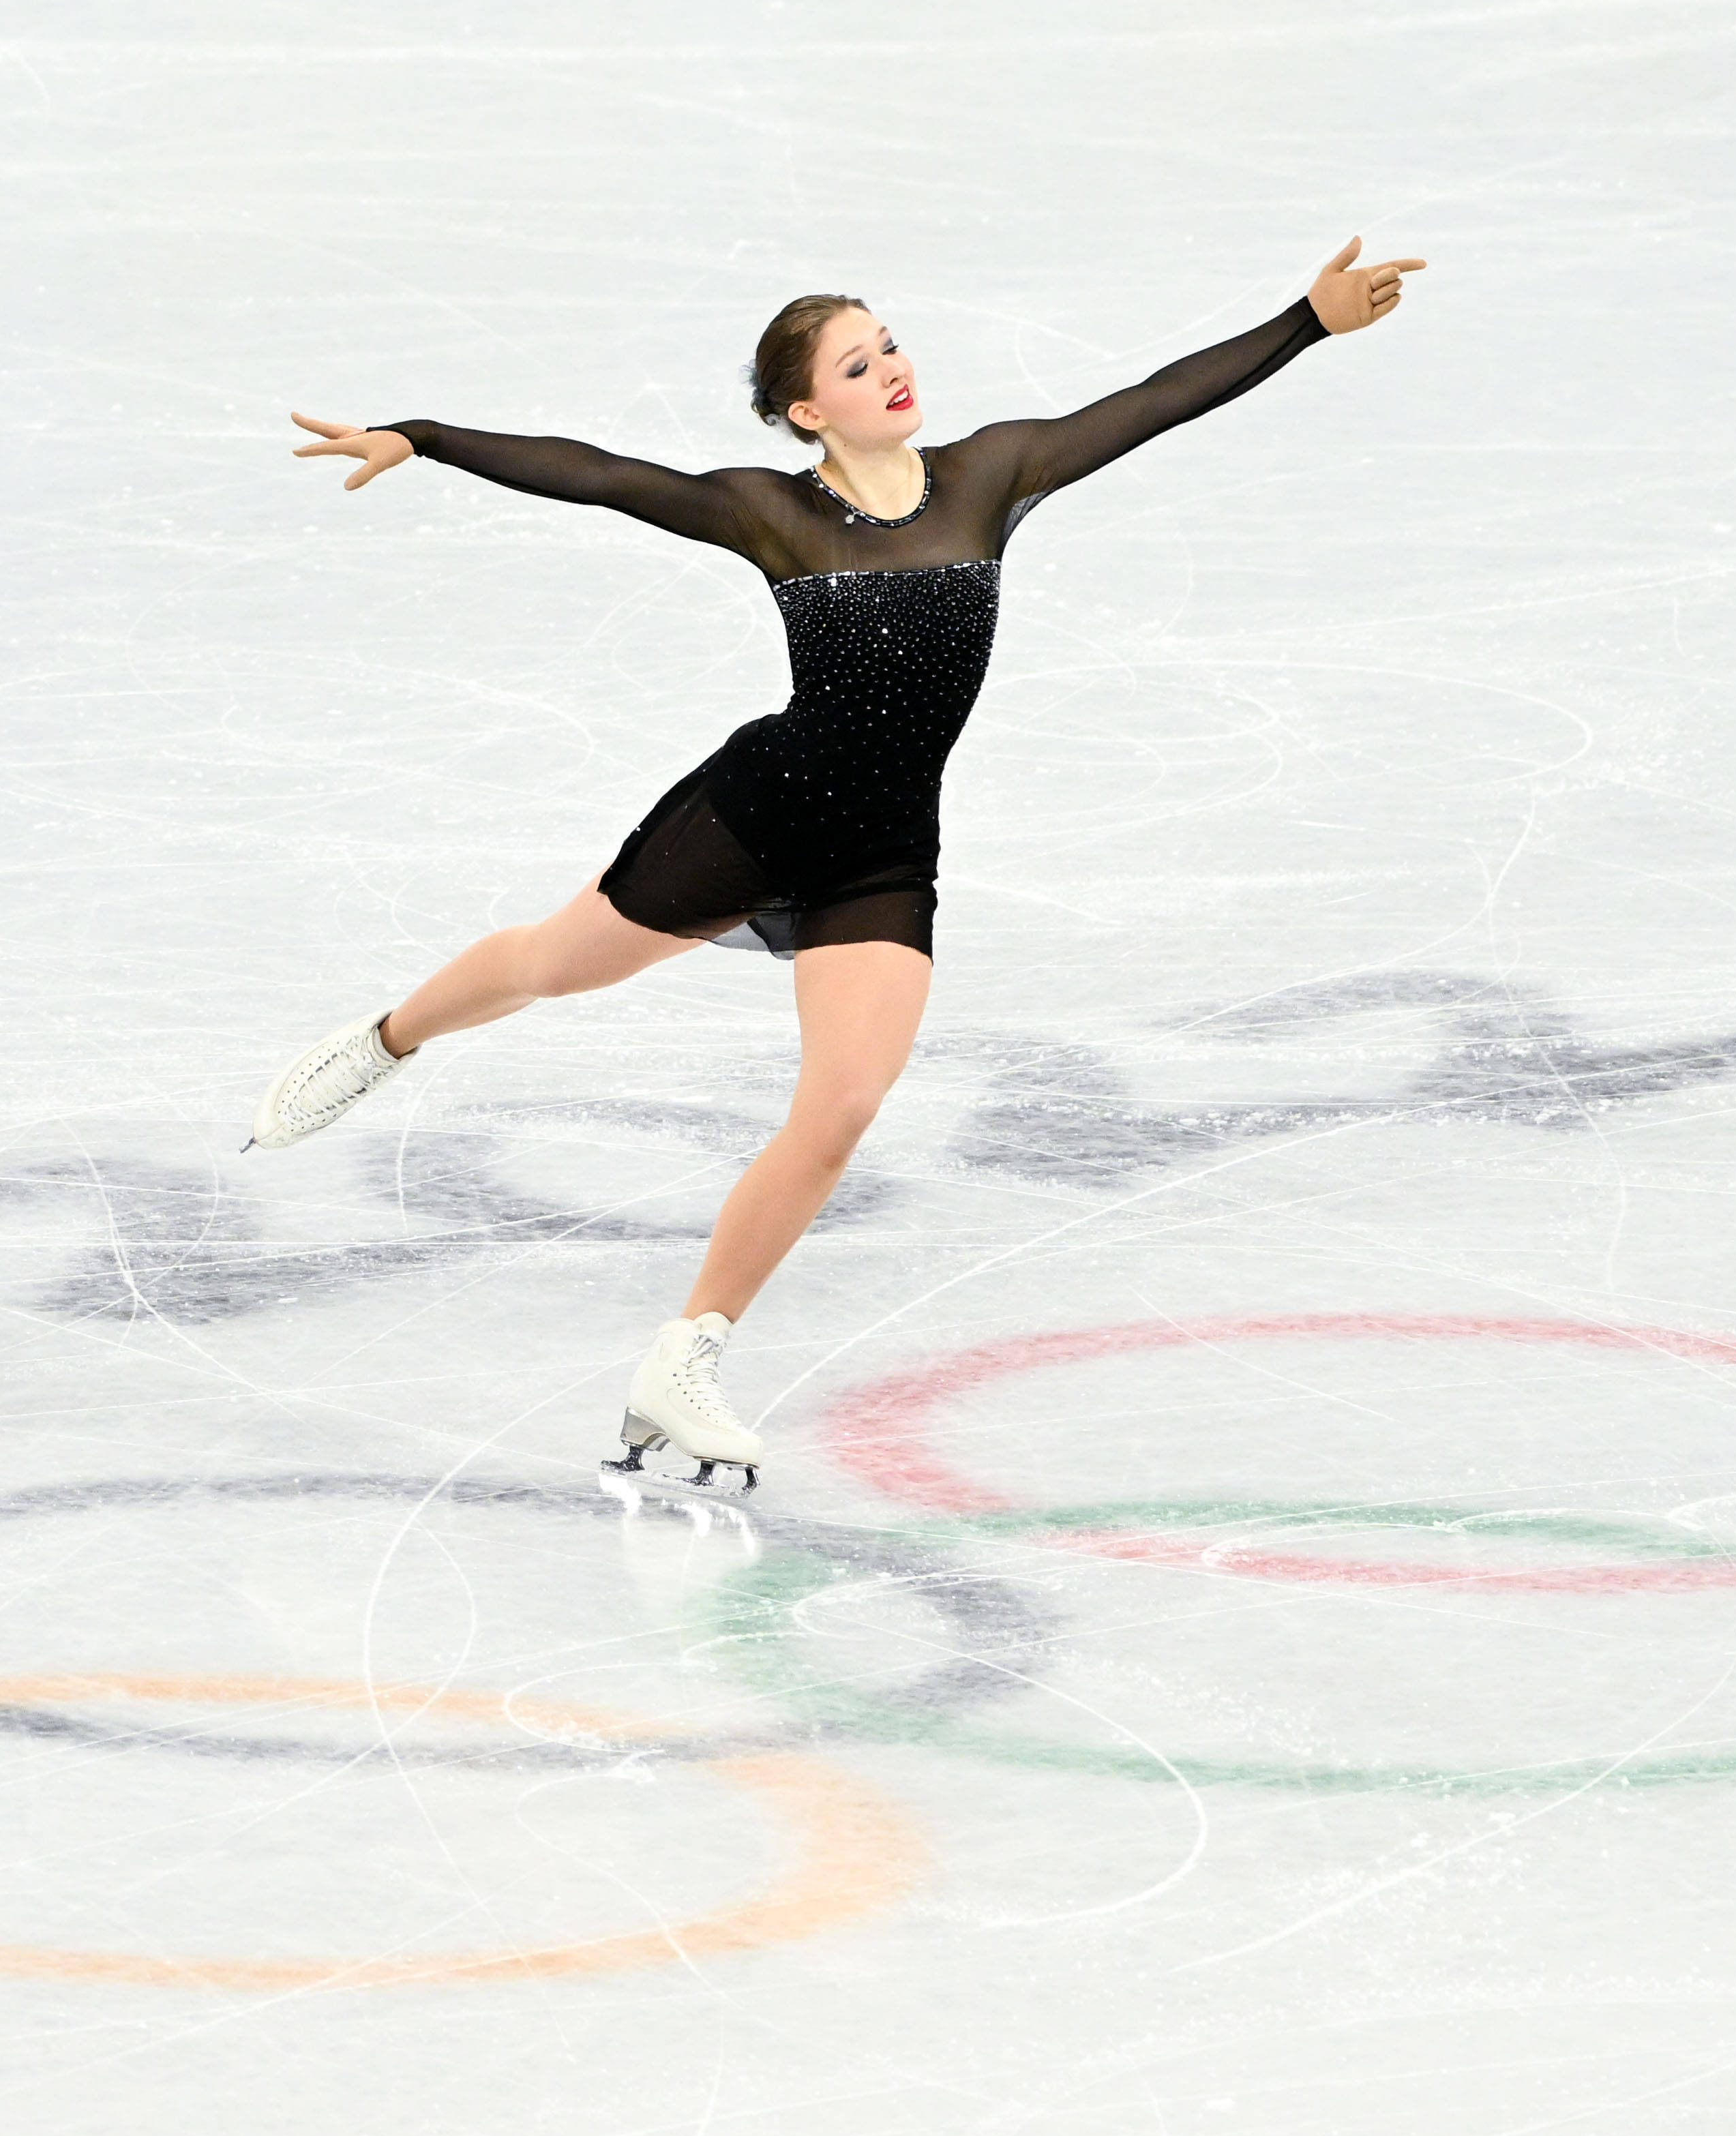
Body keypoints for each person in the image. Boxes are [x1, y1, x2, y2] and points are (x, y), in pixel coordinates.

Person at [251, 239, 1425, 1496]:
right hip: (758, 816)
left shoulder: (993, 475)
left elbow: (1148, 404)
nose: (894, 369)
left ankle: (685, 1353)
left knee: (844, 1108)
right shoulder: (778, 513)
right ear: (810, 409)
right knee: (553, 965)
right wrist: (421, 436)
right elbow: (601, 477)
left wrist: (1305, 319)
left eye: (892, 345)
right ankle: (384, 1040)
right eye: (858, 364)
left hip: (883, 848)